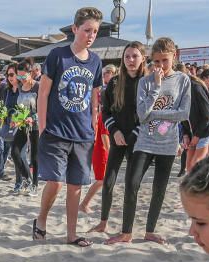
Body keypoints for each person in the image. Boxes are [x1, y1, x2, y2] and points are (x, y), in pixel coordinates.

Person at [32, 6, 105, 248]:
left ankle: (71, 234)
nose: (91, 35)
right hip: (55, 131)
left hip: (83, 133)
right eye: (87, 30)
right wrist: (42, 127)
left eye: (95, 31)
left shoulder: (95, 61)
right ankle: (41, 220)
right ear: (75, 29)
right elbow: (43, 93)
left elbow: (94, 97)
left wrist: (93, 125)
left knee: (75, 186)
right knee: (55, 182)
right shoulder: (57, 55)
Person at [119, 37, 190, 245]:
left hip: (168, 143)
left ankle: (150, 231)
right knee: (132, 184)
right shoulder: (145, 81)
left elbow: (184, 113)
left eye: (164, 61)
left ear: (173, 57)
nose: (160, 66)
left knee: (159, 189)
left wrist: (156, 114)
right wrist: (157, 87)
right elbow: (142, 115)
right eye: (156, 62)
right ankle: (126, 232)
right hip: (145, 142)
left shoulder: (183, 80)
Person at [92, 41, 146, 240]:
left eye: (135, 56)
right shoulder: (115, 82)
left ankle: (127, 232)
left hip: (138, 141)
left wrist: (133, 134)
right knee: (108, 182)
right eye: (127, 57)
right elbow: (105, 111)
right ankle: (103, 222)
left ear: (143, 58)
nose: (131, 60)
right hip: (117, 138)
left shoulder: (147, 82)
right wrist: (114, 130)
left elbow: (149, 115)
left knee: (132, 186)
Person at [80, 65, 115, 213]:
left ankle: (105, 204)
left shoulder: (107, 114)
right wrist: (111, 151)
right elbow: (104, 135)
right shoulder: (104, 116)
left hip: (102, 149)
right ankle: (84, 204)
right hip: (101, 151)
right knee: (101, 180)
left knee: (107, 181)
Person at [9, 61, 40, 194]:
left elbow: (44, 109)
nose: (21, 79)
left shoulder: (38, 87)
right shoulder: (21, 88)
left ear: (31, 73)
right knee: (14, 152)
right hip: (22, 124)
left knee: (34, 157)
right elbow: (20, 107)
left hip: (36, 125)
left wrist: (32, 118)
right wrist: (15, 119)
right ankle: (27, 178)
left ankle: (35, 185)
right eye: (19, 77)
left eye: (23, 77)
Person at [184, 67, 209, 175]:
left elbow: (207, 115)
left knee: (195, 165)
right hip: (192, 133)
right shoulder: (179, 91)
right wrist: (185, 135)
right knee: (189, 167)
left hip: (204, 132)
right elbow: (182, 116)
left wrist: (197, 136)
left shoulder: (196, 88)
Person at [0, 64, 19, 181]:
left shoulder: (6, 87)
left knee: (6, 146)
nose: (9, 77)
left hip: (4, 120)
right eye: (8, 75)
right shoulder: (5, 88)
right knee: (1, 147)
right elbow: (1, 106)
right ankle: (0, 172)